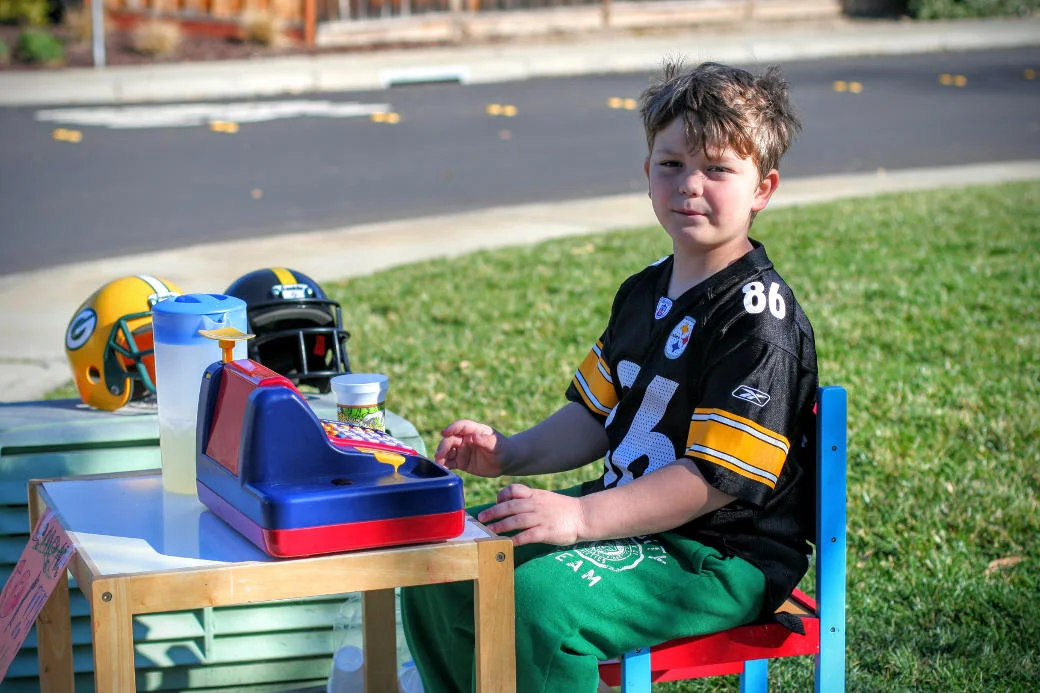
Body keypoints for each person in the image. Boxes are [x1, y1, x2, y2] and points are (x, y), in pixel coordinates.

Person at [401, 59, 819, 692]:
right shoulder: (643, 289)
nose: (690, 185)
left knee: (538, 606)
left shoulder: (757, 323)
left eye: (717, 168)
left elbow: (714, 481)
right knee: (442, 562)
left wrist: (582, 520)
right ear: (647, 173)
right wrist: (511, 453)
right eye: (672, 163)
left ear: (763, 188)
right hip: (627, 518)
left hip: (717, 554)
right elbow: (596, 415)